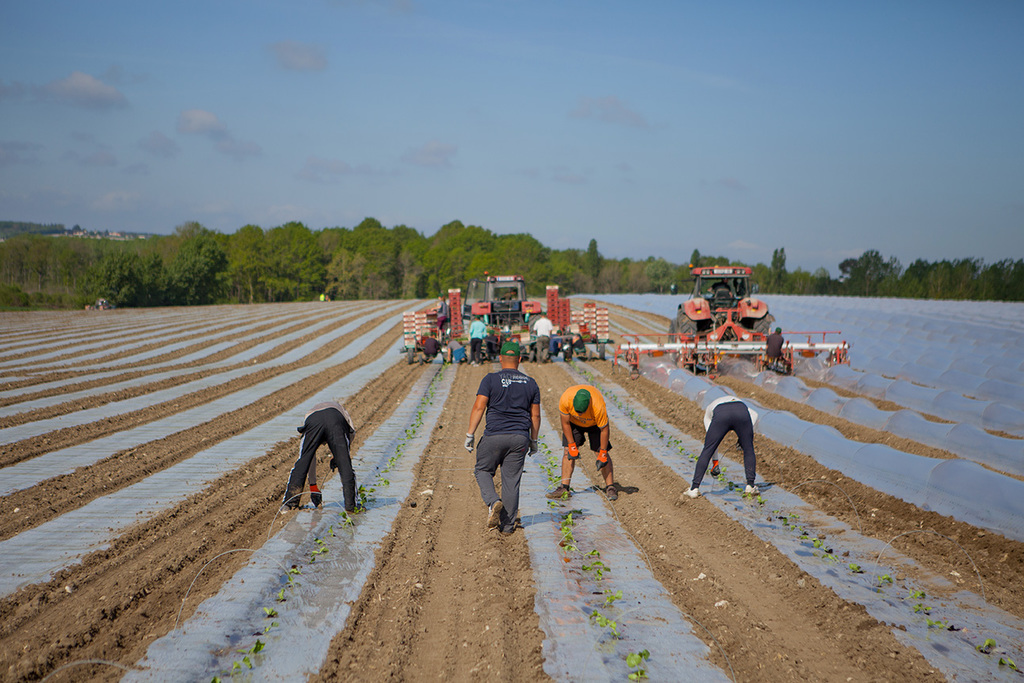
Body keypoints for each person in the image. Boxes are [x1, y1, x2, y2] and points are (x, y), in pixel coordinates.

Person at [465, 341, 540, 535]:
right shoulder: (530, 383)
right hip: (519, 438)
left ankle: (493, 501)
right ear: (520, 360)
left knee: (482, 469)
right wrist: (534, 440)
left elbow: (479, 407)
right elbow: (535, 416)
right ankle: (507, 527)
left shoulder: (490, 379)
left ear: (500, 359)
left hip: (494, 436)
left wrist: (470, 434)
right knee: (511, 480)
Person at [283, 401, 357, 512]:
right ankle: (351, 506)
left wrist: (313, 485)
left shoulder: (310, 414)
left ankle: (289, 505)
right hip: (335, 419)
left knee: (303, 461)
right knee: (345, 464)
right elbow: (350, 434)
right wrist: (339, 456)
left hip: (314, 421)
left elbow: (308, 459)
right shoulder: (341, 409)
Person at [547, 385, 617, 501]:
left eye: (582, 412)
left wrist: (603, 453)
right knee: (568, 452)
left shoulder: (598, 406)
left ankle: (610, 487)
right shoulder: (566, 399)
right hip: (573, 423)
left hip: (594, 424)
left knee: (600, 453)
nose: (580, 415)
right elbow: (565, 423)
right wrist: (572, 445)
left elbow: (604, 430)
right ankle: (564, 487)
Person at [683, 396, 760, 499]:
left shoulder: (708, 414)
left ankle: (694, 489)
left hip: (721, 413)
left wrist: (715, 463)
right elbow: (755, 414)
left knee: (707, 450)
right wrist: (744, 437)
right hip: (741, 410)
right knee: (748, 448)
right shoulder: (736, 401)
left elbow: (712, 446)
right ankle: (750, 486)